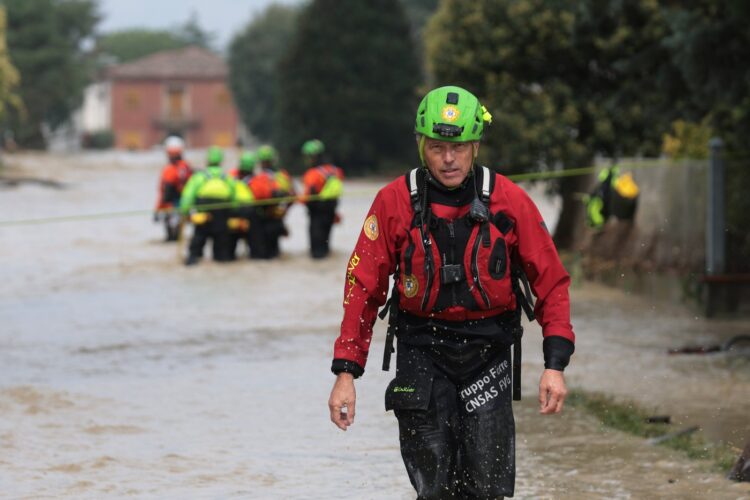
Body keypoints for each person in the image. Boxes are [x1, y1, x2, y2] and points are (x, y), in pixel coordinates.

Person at [327, 86, 575, 499]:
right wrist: (345, 374)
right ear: (422, 146)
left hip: (488, 354)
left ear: (475, 146)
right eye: (437, 147)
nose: (448, 159)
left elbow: (552, 282)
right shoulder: (392, 203)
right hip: (421, 351)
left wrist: (555, 365)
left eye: (458, 147)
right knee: (434, 488)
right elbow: (362, 289)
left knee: (488, 489)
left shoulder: (510, 201)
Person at [179, 146, 253, 266]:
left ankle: (193, 259)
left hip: (203, 216)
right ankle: (221, 258)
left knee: (197, 243)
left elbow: (187, 198)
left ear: (207, 161)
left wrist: (185, 213)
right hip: (222, 217)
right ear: (221, 161)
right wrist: (234, 212)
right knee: (222, 253)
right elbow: (234, 199)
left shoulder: (199, 177)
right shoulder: (227, 178)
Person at [246, 145, 295, 259]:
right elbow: (292, 196)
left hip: (259, 220)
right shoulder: (282, 176)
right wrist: (284, 211)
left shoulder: (254, 178)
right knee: (274, 254)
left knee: (259, 254)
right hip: (275, 218)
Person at [300, 139, 344, 259]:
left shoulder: (312, 174)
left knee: (316, 252)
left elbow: (306, 197)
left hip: (316, 217)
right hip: (330, 215)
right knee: (325, 247)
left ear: (312, 157)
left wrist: (295, 198)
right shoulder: (336, 171)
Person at [154, 135, 193, 241]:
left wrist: (158, 210)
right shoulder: (187, 167)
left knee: (171, 238)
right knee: (179, 236)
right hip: (185, 206)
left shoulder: (169, 170)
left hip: (171, 207)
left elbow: (165, 193)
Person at [228, 151, 257, 258]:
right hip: (250, 216)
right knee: (256, 252)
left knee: (228, 253)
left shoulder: (230, 178)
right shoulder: (256, 180)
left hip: (232, 215)